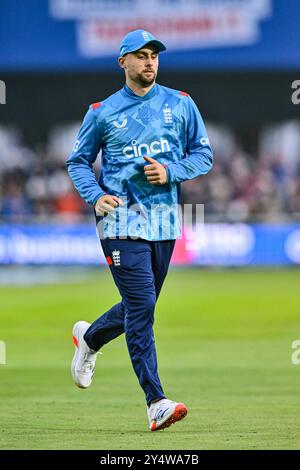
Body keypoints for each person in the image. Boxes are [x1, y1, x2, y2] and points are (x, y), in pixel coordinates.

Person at [66, 29, 213, 431]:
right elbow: (78, 161)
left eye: (154, 56)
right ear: (123, 62)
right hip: (119, 221)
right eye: (141, 55)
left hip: (164, 224)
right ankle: (156, 401)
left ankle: (91, 338)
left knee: (139, 308)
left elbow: (204, 154)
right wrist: (95, 195)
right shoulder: (102, 111)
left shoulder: (181, 104)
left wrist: (171, 171)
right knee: (143, 308)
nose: (149, 62)